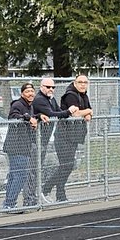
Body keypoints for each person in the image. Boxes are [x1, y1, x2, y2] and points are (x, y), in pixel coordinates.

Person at [44, 74, 94, 202]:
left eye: (85, 82)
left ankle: (60, 194)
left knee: (68, 165)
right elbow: (76, 113)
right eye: (80, 82)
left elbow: (88, 113)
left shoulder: (84, 95)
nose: (83, 84)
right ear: (75, 83)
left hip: (74, 136)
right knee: (67, 165)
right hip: (63, 136)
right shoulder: (71, 95)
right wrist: (87, 111)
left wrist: (88, 112)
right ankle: (46, 188)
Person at [32, 77, 79, 203]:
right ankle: (35, 196)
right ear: (41, 87)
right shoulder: (40, 100)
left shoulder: (50, 99)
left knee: (67, 165)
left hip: (45, 139)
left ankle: (53, 193)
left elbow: (58, 111)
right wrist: (68, 112)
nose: (51, 89)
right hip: (36, 140)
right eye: (48, 87)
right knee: (33, 170)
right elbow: (53, 114)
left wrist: (68, 113)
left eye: (53, 87)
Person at [2, 82, 41, 211]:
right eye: (27, 91)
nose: (30, 94)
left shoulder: (30, 106)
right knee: (20, 175)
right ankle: (10, 203)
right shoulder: (17, 104)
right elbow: (13, 116)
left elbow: (33, 117)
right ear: (22, 93)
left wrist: (38, 117)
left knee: (15, 175)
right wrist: (28, 118)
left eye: (32, 91)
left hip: (25, 146)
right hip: (16, 147)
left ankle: (8, 203)